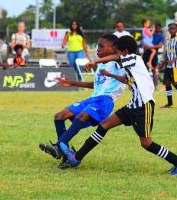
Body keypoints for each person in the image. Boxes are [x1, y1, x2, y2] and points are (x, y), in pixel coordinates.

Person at [58, 35, 177, 176]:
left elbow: (116, 58)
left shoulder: (134, 58)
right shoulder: (130, 66)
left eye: (117, 51)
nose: (115, 54)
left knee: (146, 143)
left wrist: (95, 62)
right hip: (132, 106)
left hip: (143, 107)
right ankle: (76, 158)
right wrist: (109, 74)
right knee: (104, 125)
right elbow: (126, 80)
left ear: (125, 51)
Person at [39, 34, 125, 168]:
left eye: (101, 46)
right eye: (97, 46)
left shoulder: (117, 64)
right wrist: (71, 83)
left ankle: (59, 146)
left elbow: (119, 58)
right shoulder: (102, 66)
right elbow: (96, 85)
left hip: (104, 101)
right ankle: (65, 152)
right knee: (59, 116)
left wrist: (96, 62)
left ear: (113, 49)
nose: (97, 50)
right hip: (92, 99)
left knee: (82, 116)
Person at [142, 23, 165, 87]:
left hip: (154, 54)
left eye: (158, 28)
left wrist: (150, 47)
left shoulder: (161, 36)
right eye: (156, 27)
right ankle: (144, 86)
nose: (157, 29)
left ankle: (155, 86)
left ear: (160, 28)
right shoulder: (150, 34)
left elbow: (160, 45)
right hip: (146, 53)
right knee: (145, 70)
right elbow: (144, 40)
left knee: (154, 70)